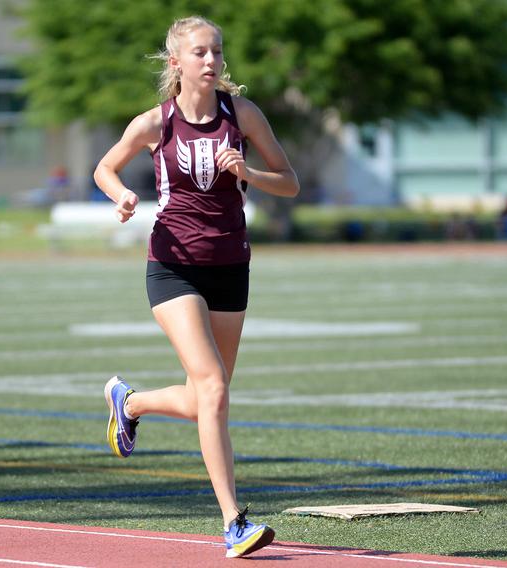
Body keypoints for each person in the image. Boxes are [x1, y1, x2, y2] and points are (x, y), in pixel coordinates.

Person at [94, 16, 299, 559]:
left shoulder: (243, 115)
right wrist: (121, 196)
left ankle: (129, 402)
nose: (211, 61)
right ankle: (234, 521)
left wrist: (250, 174)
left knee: (211, 396)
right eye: (200, 53)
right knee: (211, 388)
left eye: (217, 52)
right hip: (173, 265)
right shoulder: (155, 123)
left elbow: (291, 182)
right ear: (176, 63)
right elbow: (105, 167)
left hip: (231, 265)